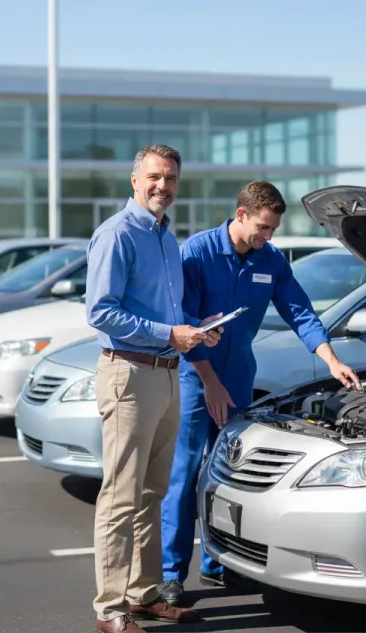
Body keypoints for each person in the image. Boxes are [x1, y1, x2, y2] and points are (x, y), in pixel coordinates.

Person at [159, 180, 361, 605]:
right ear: (240, 215)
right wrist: (210, 382)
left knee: (229, 476)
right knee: (186, 475)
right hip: (197, 380)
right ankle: (171, 574)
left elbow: (300, 311)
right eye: (262, 228)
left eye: (272, 230)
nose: (267, 237)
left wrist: (330, 359)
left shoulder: (270, 260)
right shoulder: (196, 253)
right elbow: (183, 320)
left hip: (238, 379)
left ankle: (219, 564)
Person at [85, 144, 223, 633]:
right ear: (135, 180)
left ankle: (143, 593)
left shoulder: (166, 238)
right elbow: (101, 312)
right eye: (154, 177)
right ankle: (111, 608)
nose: (162, 186)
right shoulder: (117, 234)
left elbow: (165, 316)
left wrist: (194, 328)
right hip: (129, 373)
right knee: (120, 496)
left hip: (166, 374)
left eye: (170, 179)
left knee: (152, 492)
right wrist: (170, 335)